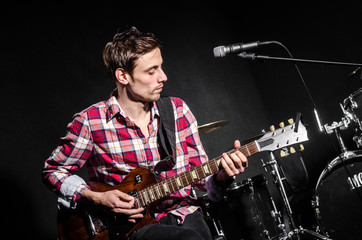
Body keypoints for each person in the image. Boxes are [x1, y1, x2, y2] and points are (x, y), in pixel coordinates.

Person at [42, 26, 248, 240]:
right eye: (152, 71)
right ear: (123, 75)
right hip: (130, 228)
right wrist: (95, 198)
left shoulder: (177, 111)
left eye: (161, 67)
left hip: (182, 212)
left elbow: (200, 181)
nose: (164, 77)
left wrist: (222, 176)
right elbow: (52, 171)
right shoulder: (91, 121)